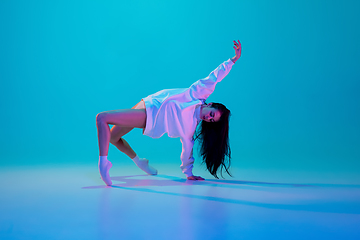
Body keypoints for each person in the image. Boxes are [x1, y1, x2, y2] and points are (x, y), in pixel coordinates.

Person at [96, 40, 242, 186]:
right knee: (113, 137)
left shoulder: (189, 128)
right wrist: (233, 60)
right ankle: (140, 162)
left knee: (102, 118)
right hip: (150, 101)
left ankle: (103, 165)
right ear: (210, 105)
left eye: (211, 120)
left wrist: (188, 174)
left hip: (150, 116)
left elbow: (187, 153)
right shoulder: (198, 94)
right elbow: (215, 77)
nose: (208, 118)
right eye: (211, 114)